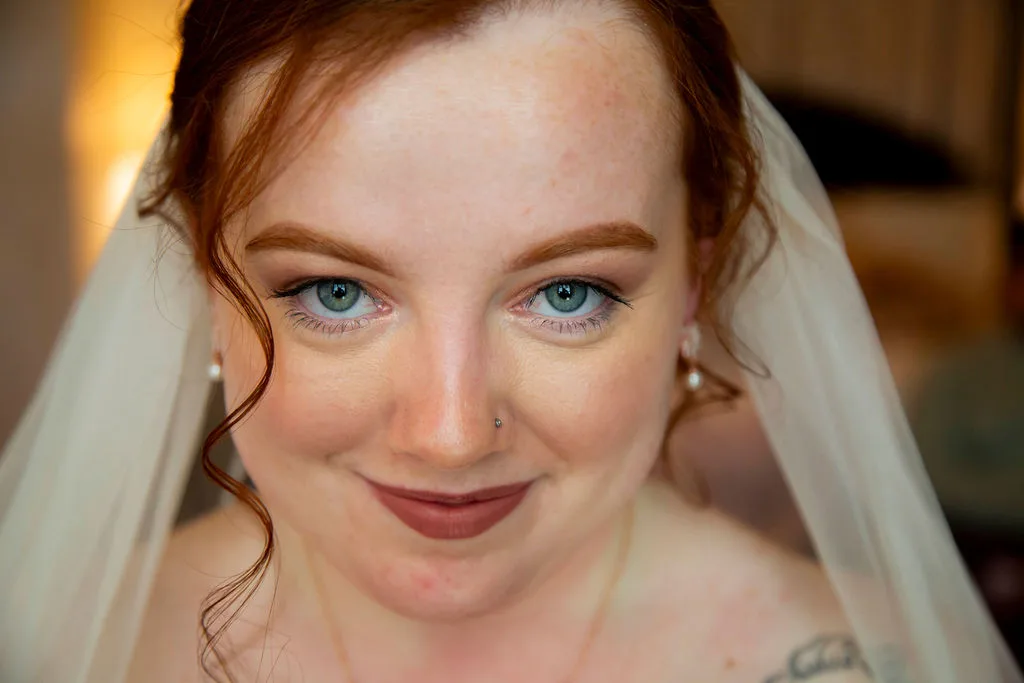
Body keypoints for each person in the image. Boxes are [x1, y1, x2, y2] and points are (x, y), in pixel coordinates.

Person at [0, 2, 1020, 682]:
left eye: (567, 292)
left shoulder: (872, 664)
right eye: (335, 292)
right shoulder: (54, 643)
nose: (448, 434)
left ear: (692, 288)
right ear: (202, 281)